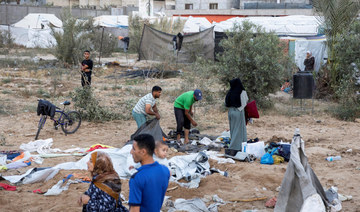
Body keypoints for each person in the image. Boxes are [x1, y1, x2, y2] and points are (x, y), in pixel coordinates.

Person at [129, 134, 170, 212]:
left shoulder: (137, 178)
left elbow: (134, 210)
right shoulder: (165, 171)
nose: (131, 152)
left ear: (143, 152)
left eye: (134, 149)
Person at [225, 78, 248, 154]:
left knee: (233, 129)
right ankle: (235, 147)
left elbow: (226, 103)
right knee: (239, 130)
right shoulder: (241, 91)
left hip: (230, 112)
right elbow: (245, 102)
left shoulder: (230, 92)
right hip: (238, 111)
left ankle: (236, 145)